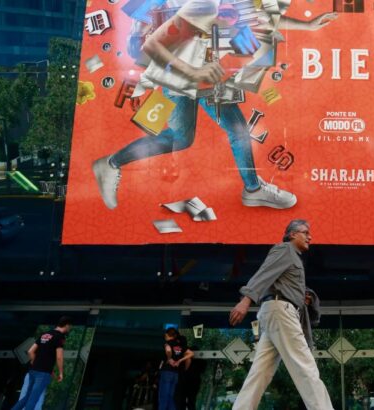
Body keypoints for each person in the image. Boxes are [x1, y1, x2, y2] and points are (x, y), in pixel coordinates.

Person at [92, 0, 337, 211]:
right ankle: (110, 163)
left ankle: (252, 189)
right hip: (183, 77)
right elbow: (153, 45)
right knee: (207, 134)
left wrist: (307, 25)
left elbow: (260, 22)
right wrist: (193, 70)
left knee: (210, 134)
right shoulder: (203, 5)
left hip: (205, 79)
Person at [228, 219, 333, 409]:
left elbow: (279, 281)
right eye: (305, 232)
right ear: (292, 234)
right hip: (281, 312)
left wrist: (303, 296)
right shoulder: (285, 249)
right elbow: (264, 273)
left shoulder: (292, 255)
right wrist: (246, 300)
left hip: (276, 312)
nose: (310, 237)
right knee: (305, 366)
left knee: (260, 372)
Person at [10, 316, 72, 410]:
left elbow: (30, 351)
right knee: (33, 400)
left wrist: (36, 364)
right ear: (67, 325)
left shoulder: (45, 334)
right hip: (43, 374)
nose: (69, 328)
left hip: (33, 370)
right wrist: (60, 373)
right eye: (70, 326)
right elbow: (59, 357)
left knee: (26, 398)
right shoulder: (60, 337)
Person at [158, 328, 193, 410]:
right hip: (175, 374)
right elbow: (191, 354)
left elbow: (168, 351)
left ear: (167, 335)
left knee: (163, 396)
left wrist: (169, 359)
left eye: (165, 335)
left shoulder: (167, 343)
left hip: (167, 372)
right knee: (171, 397)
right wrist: (180, 361)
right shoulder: (180, 346)